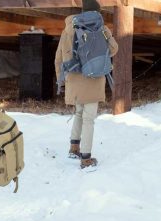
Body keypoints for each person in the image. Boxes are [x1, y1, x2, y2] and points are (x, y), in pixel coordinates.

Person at [55, 0, 119, 168]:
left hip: (74, 78)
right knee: (89, 118)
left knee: (79, 113)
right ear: (97, 12)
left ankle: (74, 147)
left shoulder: (68, 29)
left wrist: (61, 80)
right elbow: (114, 49)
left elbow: (59, 58)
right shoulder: (101, 28)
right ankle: (86, 158)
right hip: (94, 78)